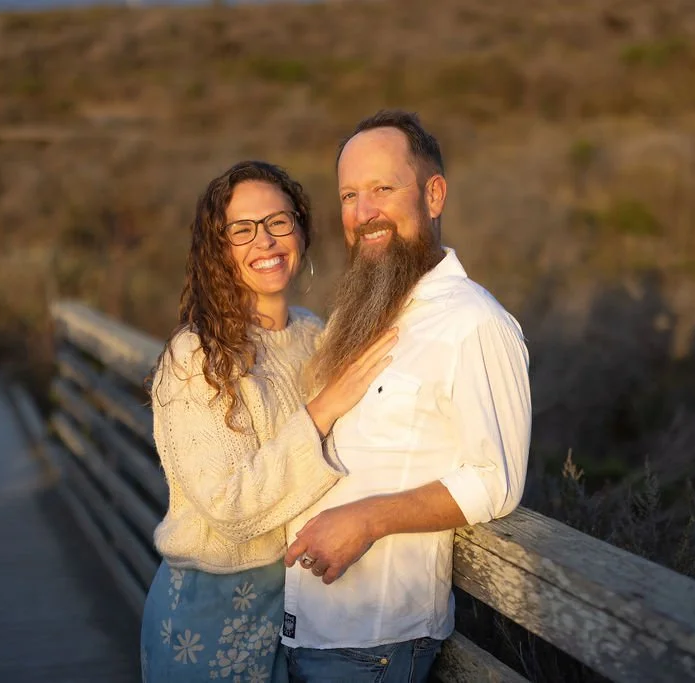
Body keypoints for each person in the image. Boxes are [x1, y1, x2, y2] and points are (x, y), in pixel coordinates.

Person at [280, 110, 532, 682]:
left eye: (382, 189)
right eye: (348, 195)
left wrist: (370, 519)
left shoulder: (473, 322)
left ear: (434, 194)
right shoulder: (356, 313)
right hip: (303, 626)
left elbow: (496, 478)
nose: (363, 213)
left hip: (373, 645)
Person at [141, 160, 397, 683]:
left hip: (304, 608)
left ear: (301, 231)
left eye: (280, 221)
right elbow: (229, 507)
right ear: (218, 248)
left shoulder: (311, 334)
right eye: (242, 229)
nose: (265, 240)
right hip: (211, 618)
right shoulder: (196, 357)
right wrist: (323, 407)